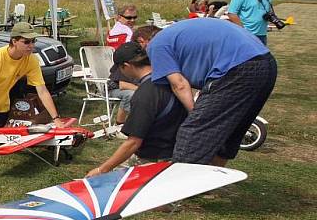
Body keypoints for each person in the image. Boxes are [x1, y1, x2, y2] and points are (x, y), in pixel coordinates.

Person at [146, 18, 276, 166]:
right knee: (228, 135)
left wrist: (194, 113)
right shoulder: (178, 34)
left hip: (238, 67)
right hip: (266, 62)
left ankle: (182, 186)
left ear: (142, 41)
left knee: (193, 133)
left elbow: (179, 85)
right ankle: (209, 184)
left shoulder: (156, 45)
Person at [86, 49, 187, 177]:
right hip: (178, 151)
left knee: (107, 181)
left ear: (127, 66)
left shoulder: (145, 94)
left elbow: (133, 142)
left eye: (120, 69)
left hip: (155, 159)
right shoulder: (171, 79)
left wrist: (102, 170)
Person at [0, 22, 65, 139]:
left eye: (33, 41)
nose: (31, 46)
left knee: (1, 135)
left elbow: (42, 91)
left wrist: (56, 119)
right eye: (26, 42)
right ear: (14, 41)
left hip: (2, 103)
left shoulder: (32, 60)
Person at [107, 41, 142, 125]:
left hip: (133, 88)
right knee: (130, 94)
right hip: (114, 90)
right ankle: (120, 123)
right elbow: (123, 85)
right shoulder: (123, 65)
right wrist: (143, 89)